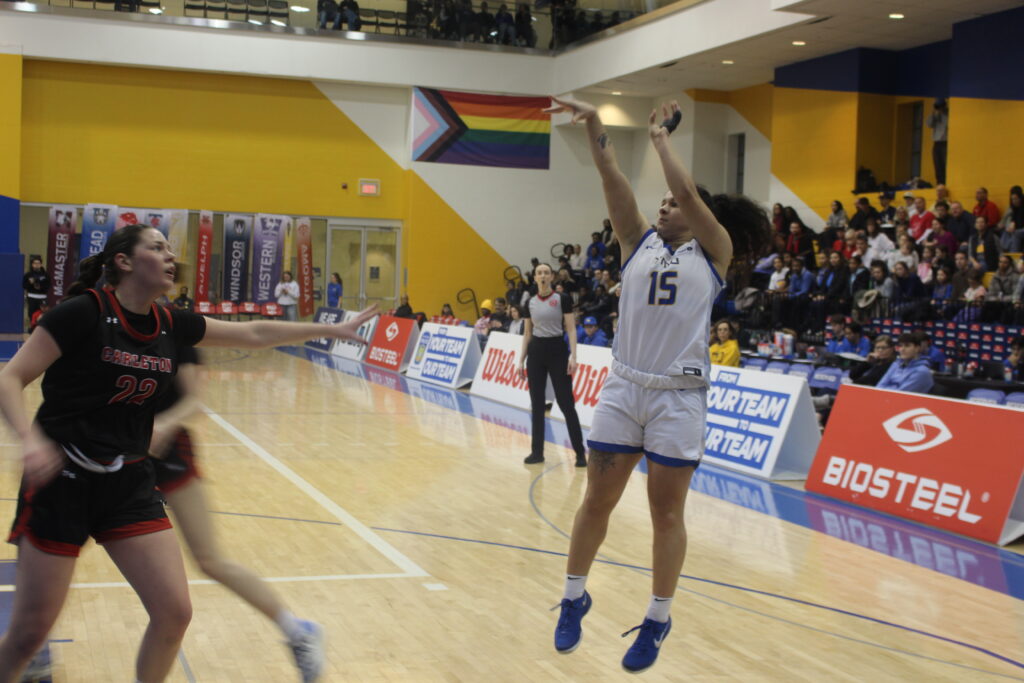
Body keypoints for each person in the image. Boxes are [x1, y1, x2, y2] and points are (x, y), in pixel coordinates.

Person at [0, 225, 374, 683]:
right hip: (65, 480)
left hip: (128, 483)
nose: (170, 255)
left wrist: (331, 327)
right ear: (124, 261)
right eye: (157, 248)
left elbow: (254, 332)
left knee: (175, 612)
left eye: (169, 248)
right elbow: (9, 377)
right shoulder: (83, 314)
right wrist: (29, 438)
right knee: (28, 637)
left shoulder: (171, 323)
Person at [543, 96, 770, 672]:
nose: (666, 205)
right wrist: (596, 126)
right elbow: (609, 174)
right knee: (597, 501)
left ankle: (657, 617)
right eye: (663, 201)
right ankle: (573, 597)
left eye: (674, 202)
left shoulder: (714, 252)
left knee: (666, 515)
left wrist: (662, 139)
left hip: (678, 397)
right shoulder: (635, 244)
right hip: (625, 389)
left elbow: (692, 195)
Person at [150, 348, 325, 682]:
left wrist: (164, 423)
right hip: (114, 450)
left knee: (210, 559)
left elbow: (195, 402)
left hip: (167, 451)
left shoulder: (176, 331)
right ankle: (34, 637)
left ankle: (297, 631)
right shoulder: (99, 318)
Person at [518, 263, 586, 467]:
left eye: (546, 272)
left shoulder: (562, 299)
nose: (543, 276)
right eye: (539, 273)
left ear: (552, 276)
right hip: (536, 352)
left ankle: (580, 454)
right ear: (535, 278)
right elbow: (527, 333)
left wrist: (574, 356)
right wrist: (520, 360)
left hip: (557, 349)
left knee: (566, 403)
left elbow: (571, 329)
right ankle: (536, 452)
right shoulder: (529, 302)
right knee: (537, 404)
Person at [926, 99, 948, 185]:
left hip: (945, 142)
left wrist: (942, 113)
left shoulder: (948, 114)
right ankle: (940, 183)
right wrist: (934, 113)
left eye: (941, 106)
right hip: (937, 142)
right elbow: (928, 124)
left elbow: (947, 123)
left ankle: (946, 182)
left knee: (944, 163)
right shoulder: (935, 115)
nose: (939, 108)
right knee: (937, 164)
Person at [22, 257, 49, 327]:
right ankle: (32, 330)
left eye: (38, 263)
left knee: (42, 315)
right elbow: (24, 286)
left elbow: (48, 286)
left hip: (42, 297)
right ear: (32, 264)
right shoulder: (28, 275)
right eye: (35, 263)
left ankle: (41, 330)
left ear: (41, 264)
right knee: (32, 314)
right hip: (32, 297)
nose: (36, 265)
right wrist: (30, 283)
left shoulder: (45, 275)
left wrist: (40, 287)